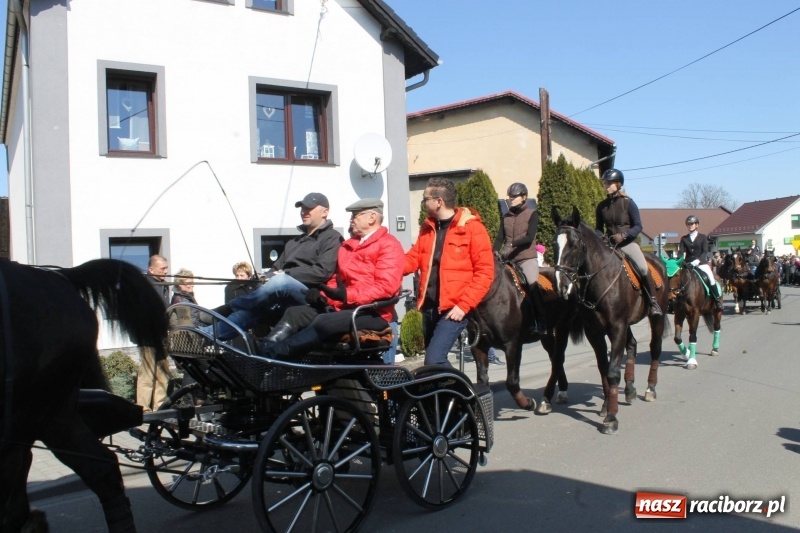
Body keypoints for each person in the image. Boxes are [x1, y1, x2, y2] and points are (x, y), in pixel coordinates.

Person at [259, 198, 404, 359]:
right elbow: (336, 280)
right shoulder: (348, 246)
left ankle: (275, 356)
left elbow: (386, 287)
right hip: (343, 308)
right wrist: (323, 296)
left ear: (372, 217)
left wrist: (347, 295)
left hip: (373, 312)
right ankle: (263, 350)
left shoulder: (389, 245)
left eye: (356, 215)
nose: (351, 219)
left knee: (324, 322)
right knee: (296, 313)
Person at [205, 192, 343, 339]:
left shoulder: (333, 238)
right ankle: (204, 335)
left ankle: (228, 308)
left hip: (310, 296)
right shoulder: (294, 242)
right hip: (281, 295)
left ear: (325, 212)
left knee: (281, 281)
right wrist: (267, 277)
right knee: (252, 311)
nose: (304, 212)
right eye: (302, 208)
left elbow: (322, 272)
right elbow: (275, 269)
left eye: (309, 208)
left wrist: (287, 275)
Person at [404, 178, 495, 366]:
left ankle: (466, 394)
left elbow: (485, 273)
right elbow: (412, 259)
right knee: (433, 366)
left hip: (453, 309)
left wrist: (464, 306)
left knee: (433, 360)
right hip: (429, 307)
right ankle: (442, 395)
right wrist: (384, 266)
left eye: (425, 199)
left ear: (439, 202)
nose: (423, 203)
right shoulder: (428, 228)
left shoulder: (472, 229)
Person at [595, 168, 662, 316]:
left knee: (643, 268)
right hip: (609, 245)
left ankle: (653, 302)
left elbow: (638, 226)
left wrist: (624, 235)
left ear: (618, 184)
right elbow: (598, 229)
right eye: (605, 183)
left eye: (609, 183)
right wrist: (601, 237)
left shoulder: (628, 203)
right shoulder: (601, 206)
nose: (606, 185)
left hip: (627, 244)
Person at [493, 182, 547, 337]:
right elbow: (499, 238)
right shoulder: (506, 216)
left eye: (514, 196)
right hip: (509, 260)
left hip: (526, 258)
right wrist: (494, 252)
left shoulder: (532, 214)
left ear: (524, 197)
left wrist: (511, 245)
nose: (511, 199)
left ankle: (541, 321)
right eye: (510, 196)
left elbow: (529, 238)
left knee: (532, 284)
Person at [136, 254, 172, 411]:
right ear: (151, 269)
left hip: (162, 336)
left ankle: (159, 406)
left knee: (162, 373)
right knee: (148, 373)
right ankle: (143, 408)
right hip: (148, 337)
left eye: (166, 268)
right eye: (162, 269)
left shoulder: (163, 284)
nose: (165, 271)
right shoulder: (145, 286)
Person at [678, 215, 724, 311]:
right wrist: (678, 261)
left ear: (697, 225)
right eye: (688, 224)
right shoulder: (684, 238)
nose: (690, 226)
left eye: (692, 224)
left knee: (711, 278)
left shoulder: (702, 237)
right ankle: (674, 301)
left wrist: (698, 260)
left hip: (701, 263)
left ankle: (717, 300)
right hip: (688, 264)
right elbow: (681, 252)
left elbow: (704, 251)